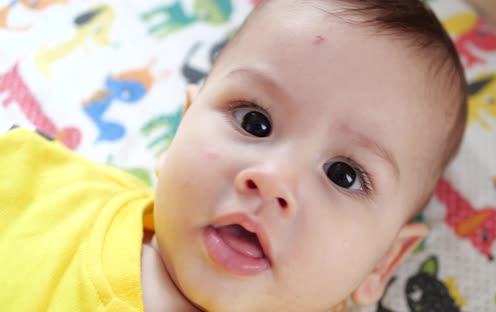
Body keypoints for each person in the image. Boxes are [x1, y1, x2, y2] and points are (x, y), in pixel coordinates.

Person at [0, 0, 466, 311]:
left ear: (384, 262)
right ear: (181, 128)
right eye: (253, 122)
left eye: (343, 175)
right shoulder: (38, 186)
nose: (273, 178)